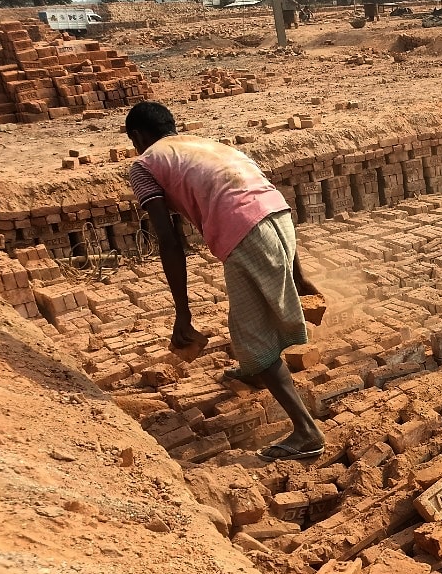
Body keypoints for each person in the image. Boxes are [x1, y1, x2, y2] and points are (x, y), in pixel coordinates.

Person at [124, 100, 326, 462]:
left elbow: (169, 242)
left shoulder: (143, 165)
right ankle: (253, 372)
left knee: (250, 337)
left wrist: (182, 315)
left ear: (137, 136)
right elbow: (264, 201)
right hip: (280, 218)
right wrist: (298, 274)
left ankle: (306, 432)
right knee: (251, 323)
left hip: (245, 232)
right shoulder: (206, 145)